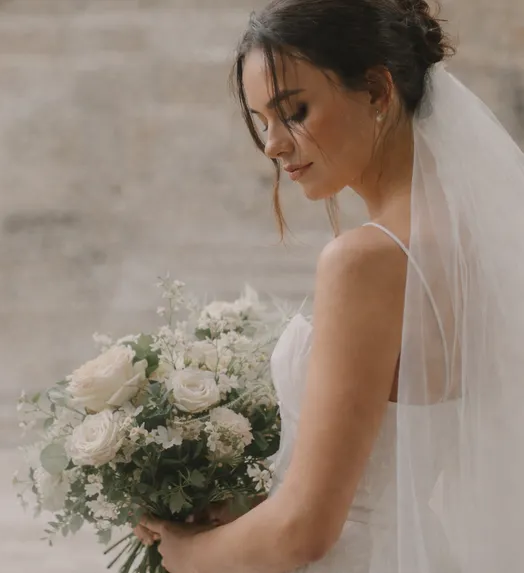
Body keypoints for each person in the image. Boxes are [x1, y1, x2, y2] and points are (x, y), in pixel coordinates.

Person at [135, 0, 524, 571]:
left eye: (294, 111)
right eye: (261, 120)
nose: (272, 144)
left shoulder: (365, 261)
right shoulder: (472, 244)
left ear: (376, 90)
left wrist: (186, 552)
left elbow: (304, 533)